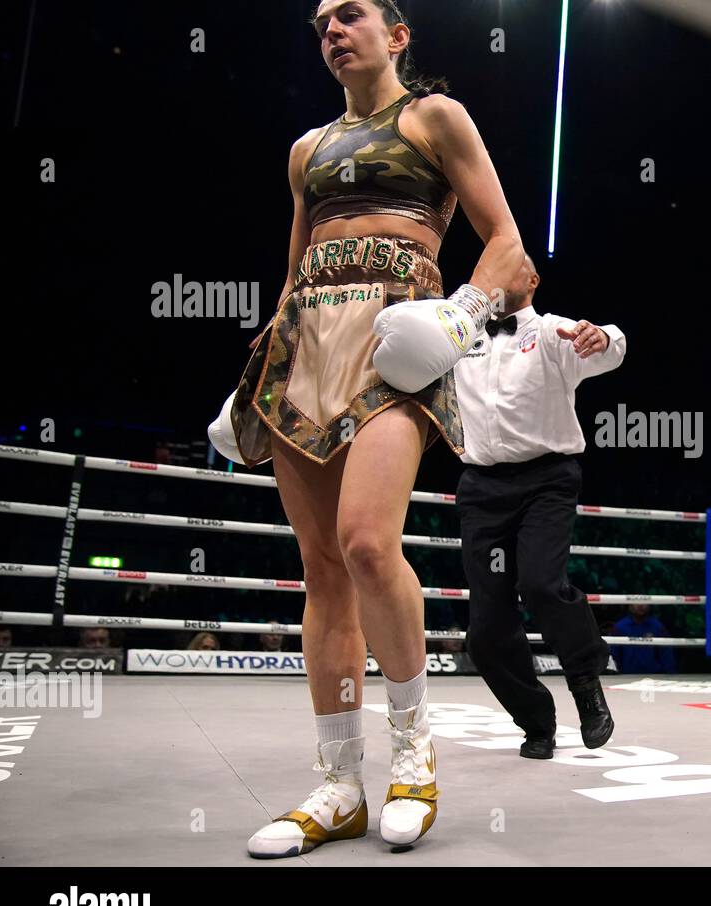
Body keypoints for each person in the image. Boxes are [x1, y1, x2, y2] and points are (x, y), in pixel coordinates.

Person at [213, 0, 526, 859]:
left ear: (397, 36)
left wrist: (460, 318)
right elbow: (289, 276)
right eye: (319, 22)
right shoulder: (305, 151)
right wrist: (254, 378)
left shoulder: (434, 117)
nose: (330, 29)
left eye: (349, 14)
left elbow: (508, 246)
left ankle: (415, 759)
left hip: (398, 340)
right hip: (307, 344)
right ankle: (339, 784)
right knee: (320, 568)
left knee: (362, 543)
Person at [452, 254, 625, 761]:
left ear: (532, 280)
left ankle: (585, 682)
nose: (500, 274)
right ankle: (536, 723)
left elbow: (608, 344)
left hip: (546, 481)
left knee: (540, 583)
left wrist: (605, 338)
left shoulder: (553, 333)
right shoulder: (460, 341)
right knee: (485, 632)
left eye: (513, 265)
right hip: (482, 490)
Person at [611, 603, 673, 674]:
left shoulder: (658, 627)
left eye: (644, 602)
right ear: (630, 606)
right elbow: (614, 654)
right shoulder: (620, 627)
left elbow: (667, 655)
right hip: (626, 676)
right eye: (636, 602)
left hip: (655, 676)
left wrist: (670, 675)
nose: (640, 605)